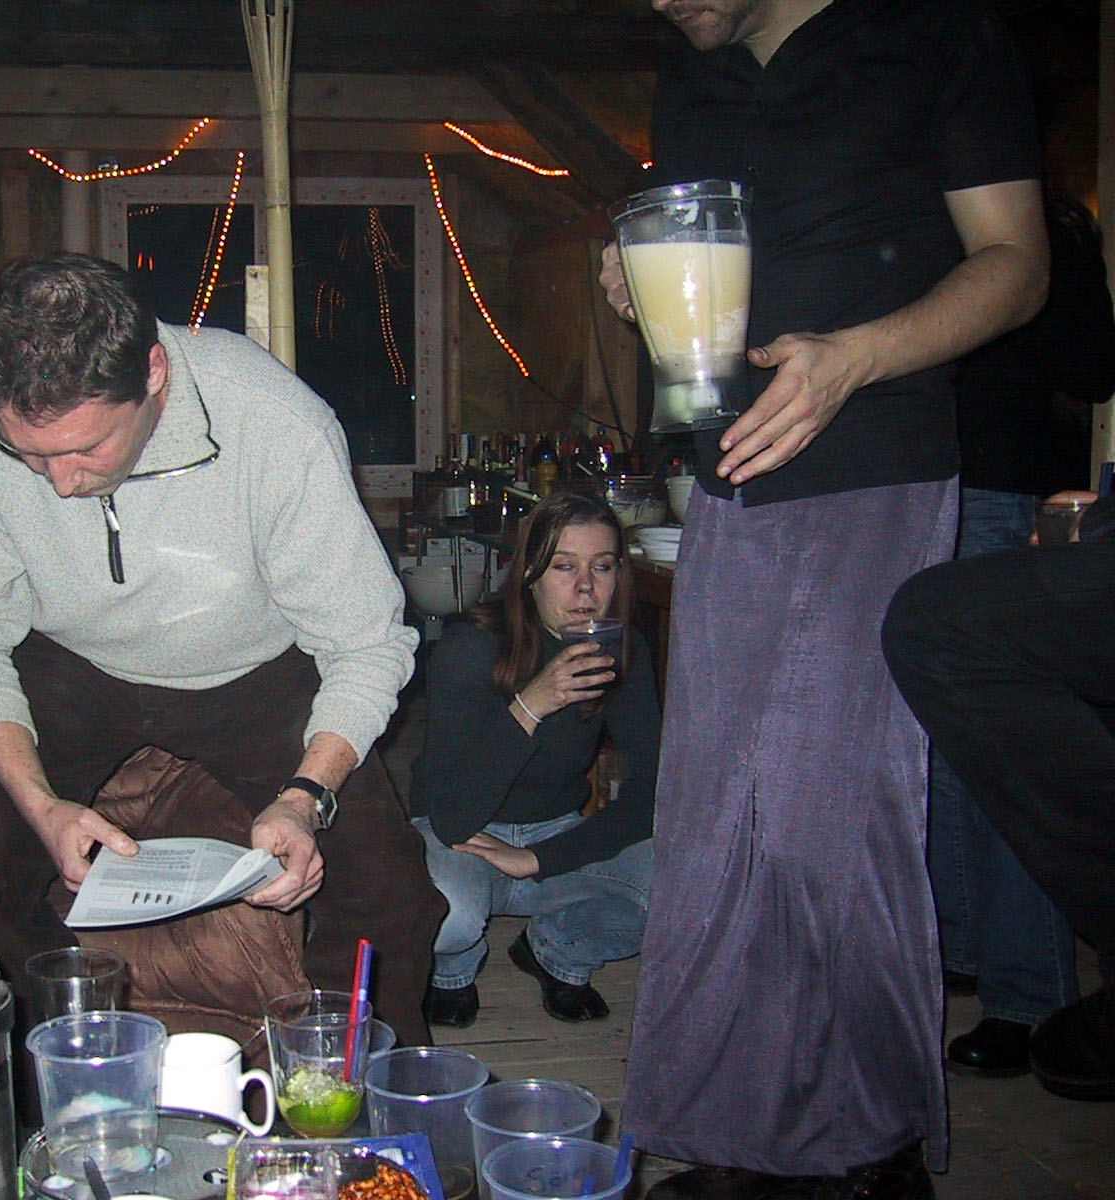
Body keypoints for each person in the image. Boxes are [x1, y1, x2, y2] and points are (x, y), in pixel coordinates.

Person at [599, 2, 1049, 1197]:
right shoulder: (690, 71)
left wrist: (854, 357)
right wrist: (633, 272)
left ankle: (861, 1147)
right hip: (725, 477)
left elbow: (1015, 265)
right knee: (715, 817)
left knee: (821, 818)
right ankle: (744, 1138)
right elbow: (707, 258)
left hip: (871, 460)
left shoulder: (936, 35)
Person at [0, 253, 443, 1046]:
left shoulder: (273, 420)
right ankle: (57, 1075)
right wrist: (40, 804)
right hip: (69, 661)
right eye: (28, 455)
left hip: (260, 666)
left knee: (389, 896)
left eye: (85, 448)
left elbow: (366, 642)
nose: (59, 484)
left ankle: (348, 1097)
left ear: (154, 373)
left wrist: (303, 798)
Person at [927, 195, 1115, 1078]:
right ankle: (965, 946)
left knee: (997, 753)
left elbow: (1097, 366)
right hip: (913, 490)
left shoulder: (1044, 232)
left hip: (996, 490)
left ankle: (1027, 992)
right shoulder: (916, 204)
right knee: (939, 745)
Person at [883, 491, 1115, 1101]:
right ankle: (964, 950)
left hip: (993, 474)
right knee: (971, 731)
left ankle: (1025, 992)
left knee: (943, 626)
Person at [411, 489, 657, 1028]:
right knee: (449, 917)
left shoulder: (621, 649)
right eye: (564, 566)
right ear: (529, 574)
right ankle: (452, 970)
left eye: (602, 566)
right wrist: (531, 705)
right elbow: (451, 815)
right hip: (464, 834)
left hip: (554, 833)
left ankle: (556, 951)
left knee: (681, 887)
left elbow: (650, 798)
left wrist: (539, 858)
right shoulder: (469, 646)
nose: (586, 587)